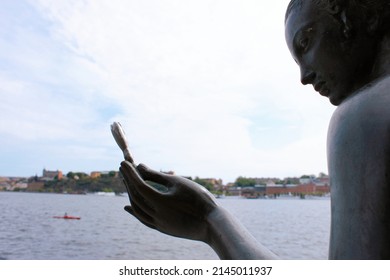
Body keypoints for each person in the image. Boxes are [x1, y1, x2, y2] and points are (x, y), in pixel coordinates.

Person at [119, 0, 390, 259]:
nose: (304, 76)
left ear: (361, 17)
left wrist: (210, 220)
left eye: (305, 43)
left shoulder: (363, 116)